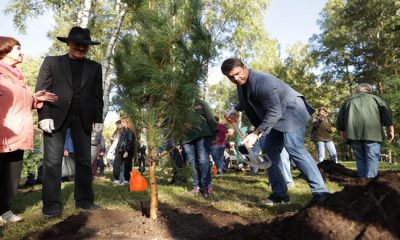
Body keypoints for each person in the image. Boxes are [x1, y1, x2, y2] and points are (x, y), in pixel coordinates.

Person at [222, 58, 329, 206]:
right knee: (269, 152)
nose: (235, 78)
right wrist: (235, 109)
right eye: (230, 77)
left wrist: (255, 134)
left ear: (245, 67)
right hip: (276, 117)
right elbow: (248, 99)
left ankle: (321, 194)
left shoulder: (262, 82)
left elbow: (274, 112)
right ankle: (280, 195)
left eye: (237, 74)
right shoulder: (242, 84)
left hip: (291, 112)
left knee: (294, 148)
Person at [35, 26, 104, 217]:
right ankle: (51, 206)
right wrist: (44, 116)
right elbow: (42, 91)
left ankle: (84, 201)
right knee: (52, 161)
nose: (81, 48)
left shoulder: (95, 67)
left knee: (84, 160)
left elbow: (98, 95)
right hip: (55, 116)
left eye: (85, 45)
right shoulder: (52, 62)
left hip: (84, 118)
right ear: (68, 43)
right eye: (77, 44)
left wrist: (98, 118)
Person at [0, 36, 57, 223]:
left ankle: (4, 210)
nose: (21, 52)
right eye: (17, 48)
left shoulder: (18, 77)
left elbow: (19, 102)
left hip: (18, 134)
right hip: (2, 133)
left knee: (12, 176)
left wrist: (35, 98)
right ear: (4, 51)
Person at [336, 83, 394, 179]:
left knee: (360, 158)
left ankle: (362, 180)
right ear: (369, 90)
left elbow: (340, 119)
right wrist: (390, 130)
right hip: (373, 135)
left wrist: (343, 132)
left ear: (357, 90)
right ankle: (370, 181)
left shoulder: (348, 101)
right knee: (372, 157)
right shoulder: (377, 99)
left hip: (353, 134)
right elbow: (386, 115)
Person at [182, 98, 218, 198]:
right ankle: (196, 186)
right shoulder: (179, 104)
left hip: (202, 134)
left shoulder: (200, 103)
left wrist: (214, 134)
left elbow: (210, 117)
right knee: (191, 161)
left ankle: (207, 187)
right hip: (186, 138)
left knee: (203, 160)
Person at [113, 116, 136, 184]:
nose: (121, 123)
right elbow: (120, 141)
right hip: (120, 150)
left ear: (127, 122)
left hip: (126, 151)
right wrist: (117, 149)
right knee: (116, 164)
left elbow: (129, 142)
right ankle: (117, 179)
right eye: (121, 122)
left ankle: (127, 180)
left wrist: (126, 151)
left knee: (127, 165)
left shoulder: (130, 131)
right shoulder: (124, 131)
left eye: (123, 122)